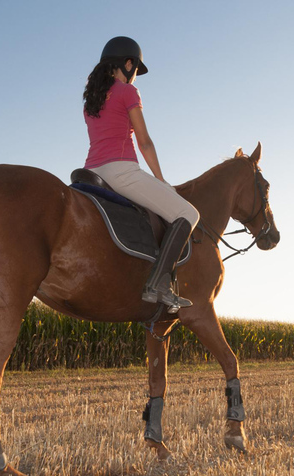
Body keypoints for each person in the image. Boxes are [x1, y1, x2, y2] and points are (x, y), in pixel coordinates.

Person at [83, 36, 200, 312]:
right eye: (136, 71)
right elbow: (144, 142)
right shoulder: (127, 92)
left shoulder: (92, 99)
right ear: (127, 64)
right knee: (189, 215)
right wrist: (161, 181)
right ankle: (158, 283)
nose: (135, 77)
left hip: (90, 172)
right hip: (121, 171)